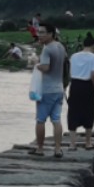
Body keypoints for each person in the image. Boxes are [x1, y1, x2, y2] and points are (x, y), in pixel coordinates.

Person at [31, 23, 66, 158]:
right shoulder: (60, 46)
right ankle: (58, 149)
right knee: (56, 119)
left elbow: (46, 68)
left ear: (51, 34)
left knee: (40, 120)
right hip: (59, 89)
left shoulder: (47, 49)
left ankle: (40, 149)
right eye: (39, 32)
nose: (39, 35)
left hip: (46, 90)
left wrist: (35, 63)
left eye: (42, 32)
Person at [66, 36, 94, 151]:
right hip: (87, 85)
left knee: (73, 112)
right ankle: (87, 142)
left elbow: (70, 73)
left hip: (75, 85)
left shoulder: (74, 56)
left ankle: (72, 144)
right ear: (93, 45)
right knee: (89, 112)